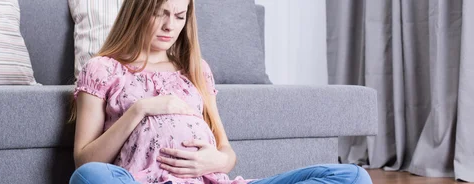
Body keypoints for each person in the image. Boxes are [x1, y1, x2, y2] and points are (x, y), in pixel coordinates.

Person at [69, 0, 373, 183]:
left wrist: (215, 162)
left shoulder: (195, 69)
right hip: (142, 180)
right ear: (137, 11)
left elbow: (227, 153)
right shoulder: (103, 68)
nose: (169, 26)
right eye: (160, 13)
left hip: (210, 181)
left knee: (352, 176)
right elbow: (85, 161)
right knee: (89, 178)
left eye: (179, 15)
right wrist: (141, 109)